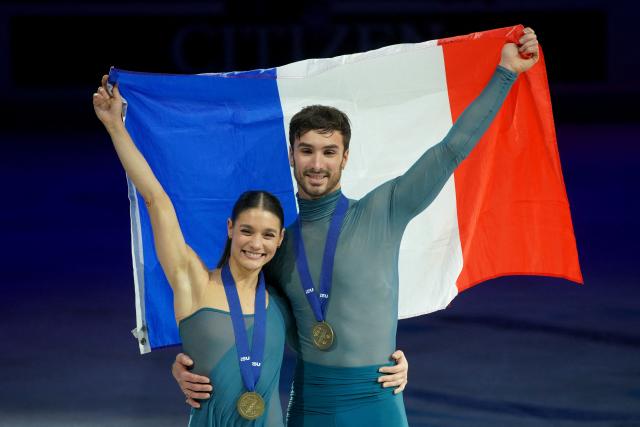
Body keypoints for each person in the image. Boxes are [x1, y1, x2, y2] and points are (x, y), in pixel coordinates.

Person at [174, 28, 540, 426]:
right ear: (292, 155)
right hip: (311, 404)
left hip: (377, 398)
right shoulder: (278, 246)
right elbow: (236, 313)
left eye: (329, 152)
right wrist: (190, 364)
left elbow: (451, 150)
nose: (317, 164)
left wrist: (506, 73)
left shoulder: (384, 210)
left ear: (345, 158)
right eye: (307, 150)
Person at [93, 78, 295, 425]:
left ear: (279, 241)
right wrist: (115, 127)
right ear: (230, 229)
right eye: (246, 230)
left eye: (267, 235)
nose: (255, 243)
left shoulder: (280, 299)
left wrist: (397, 363)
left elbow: (338, 342)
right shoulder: (194, 282)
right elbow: (156, 200)